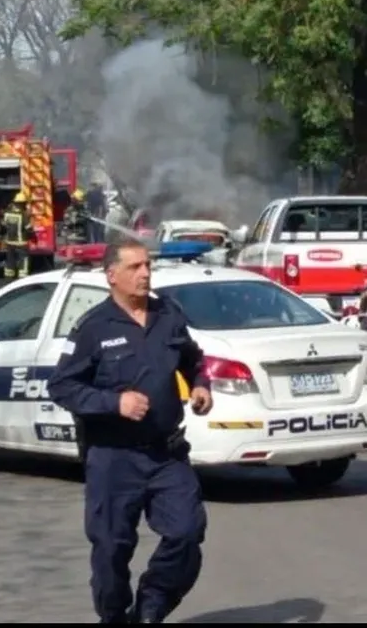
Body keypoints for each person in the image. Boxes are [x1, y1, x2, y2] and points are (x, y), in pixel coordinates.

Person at [46, 237, 213, 624]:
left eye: (147, 266)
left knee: (187, 533)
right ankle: (115, 616)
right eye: (135, 267)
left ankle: (152, 604)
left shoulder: (167, 315)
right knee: (110, 550)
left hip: (166, 454)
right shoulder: (93, 327)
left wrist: (201, 384)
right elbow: (62, 387)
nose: (145, 273)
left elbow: (192, 359)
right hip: (113, 458)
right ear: (112, 275)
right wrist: (114, 403)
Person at [2, 192, 33, 280]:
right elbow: (29, 228)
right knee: (24, 259)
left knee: (10, 259)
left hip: (9, 242)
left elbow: (4, 224)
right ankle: (23, 276)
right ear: (22, 203)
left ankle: (9, 276)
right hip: (21, 242)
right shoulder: (23, 215)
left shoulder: (7, 212)